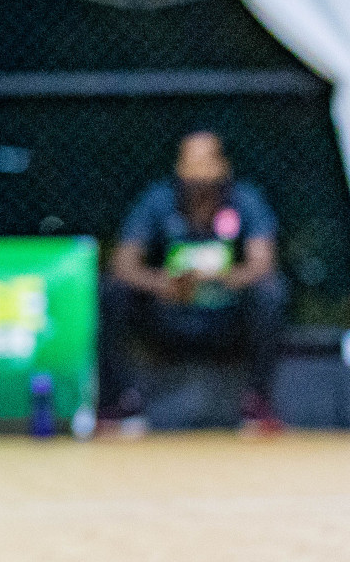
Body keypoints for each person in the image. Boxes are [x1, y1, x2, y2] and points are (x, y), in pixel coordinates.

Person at [98, 130, 287, 435]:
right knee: (112, 289)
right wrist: (165, 284)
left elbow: (263, 263)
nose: (198, 171)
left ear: (223, 165)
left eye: (206, 161)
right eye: (190, 161)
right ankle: (119, 401)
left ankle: (257, 401)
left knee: (271, 292)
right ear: (178, 166)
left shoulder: (246, 200)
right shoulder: (158, 200)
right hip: (170, 312)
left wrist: (217, 278)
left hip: (226, 315)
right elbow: (123, 264)